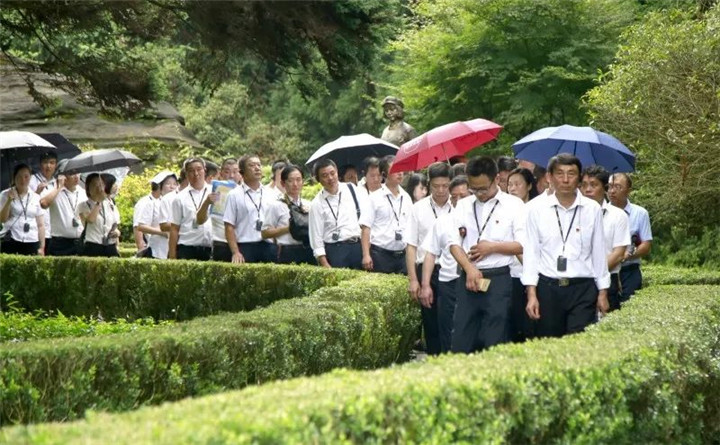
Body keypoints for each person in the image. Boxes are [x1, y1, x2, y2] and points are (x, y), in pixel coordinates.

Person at [522, 154, 610, 338]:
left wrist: (603, 292)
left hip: (582, 287)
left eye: (571, 174)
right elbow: (531, 253)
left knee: (579, 343)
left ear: (579, 178)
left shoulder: (592, 209)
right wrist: (531, 294)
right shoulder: (536, 210)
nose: (565, 179)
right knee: (549, 343)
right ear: (550, 177)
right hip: (548, 287)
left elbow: (598, 252)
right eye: (560, 173)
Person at [447, 156, 525, 353]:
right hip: (468, 278)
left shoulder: (514, 205)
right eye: (474, 189)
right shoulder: (464, 205)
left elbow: (522, 245)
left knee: (495, 337)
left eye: (483, 189)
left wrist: (492, 248)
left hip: (498, 278)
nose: (479, 194)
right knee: (461, 337)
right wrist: (469, 269)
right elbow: (453, 243)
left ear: (496, 179)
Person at [405, 162, 453, 355]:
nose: (441, 190)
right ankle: (434, 359)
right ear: (428, 185)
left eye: (445, 185)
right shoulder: (418, 209)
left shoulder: (459, 206)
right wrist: (413, 280)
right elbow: (411, 245)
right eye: (436, 186)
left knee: (452, 321)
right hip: (426, 271)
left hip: (452, 270)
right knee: (431, 323)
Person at [581, 166, 630, 311]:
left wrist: (594, 273)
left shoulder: (618, 216)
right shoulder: (573, 214)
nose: (587, 190)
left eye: (593, 185)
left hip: (608, 280)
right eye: (584, 185)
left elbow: (618, 253)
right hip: (578, 282)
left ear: (605, 188)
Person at [308, 159, 369, 269]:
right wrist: (325, 264)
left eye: (332, 173)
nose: (330, 178)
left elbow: (365, 221)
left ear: (337, 172)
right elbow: (316, 238)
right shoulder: (317, 204)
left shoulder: (351, 189)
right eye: (325, 175)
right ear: (318, 179)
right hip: (335, 250)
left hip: (357, 246)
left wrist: (366, 254)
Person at [360, 156, 411, 274]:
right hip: (380, 254)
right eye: (395, 170)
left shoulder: (406, 197)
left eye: (401, 169)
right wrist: (366, 255)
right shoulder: (374, 198)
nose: (400, 173)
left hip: (402, 254)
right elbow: (366, 228)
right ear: (384, 174)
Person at [419, 210, 461, 354]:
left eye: (462, 197)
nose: (458, 200)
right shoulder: (443, 221)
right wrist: (425, 285)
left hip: (473, 281)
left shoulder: (478, 218)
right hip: (448, 281)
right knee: (447, 330)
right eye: (455, 198)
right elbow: (431, 253)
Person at [505, 167, 538, 341]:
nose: (512, 188)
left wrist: (533, 268)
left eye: (517, 184)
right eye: (509, 184)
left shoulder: (536, 210)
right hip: (513, 274)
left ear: (529, 186)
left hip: (537, 274)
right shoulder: (504, 211)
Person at [608, 173, 652, 301]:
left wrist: (628, 255)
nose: (612, 191)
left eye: (618, 187)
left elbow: (646, 245)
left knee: (628, 305)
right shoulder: (599, 211)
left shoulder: (640, 213)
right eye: (609, 186)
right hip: (608, 271)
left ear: (629, 191)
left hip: (629, 271)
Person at [224, 155, 275, 263]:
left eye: (259, 165)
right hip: (245, 247)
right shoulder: (234, 195)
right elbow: (229, 226)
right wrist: (235, 252)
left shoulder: (270, 193)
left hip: (269, 246)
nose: (257, 168)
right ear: (242, 172)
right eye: (251, 165)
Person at [261, 164, 315, 264]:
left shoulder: (309, 204)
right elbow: (265, 233)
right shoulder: (275, 205)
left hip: (308, 249)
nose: (295, 184)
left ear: (303, 182)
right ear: (283, 183)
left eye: (298, 180)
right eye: (290, 180)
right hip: (287, 251)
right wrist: (289, 228)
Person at [169, 158, 215, 261]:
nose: (196, 173)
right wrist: (172, 256)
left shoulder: (214, 192)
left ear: (204, 170)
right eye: (191, 171)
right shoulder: (179, 198)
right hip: (187, 248)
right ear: (186, 174)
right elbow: (174, 228)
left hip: (211, 247)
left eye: (199, 169)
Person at [0, 164, 46, 255]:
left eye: (26, 177)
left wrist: (42, 247)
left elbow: (40, 225)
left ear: (30, 177)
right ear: (14, 178)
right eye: (19, 177)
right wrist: (9, 201)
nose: (23, 180)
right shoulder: (5, 194)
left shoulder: (35, 197)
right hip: (12, 238)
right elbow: (2, 219)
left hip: (32, 239)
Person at [39, 170, 86, 256]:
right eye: (72, 173)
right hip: (60, 243)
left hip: (80, 241)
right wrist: (59, 187)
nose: (76, 176)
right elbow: (44, 204)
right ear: (64, 176)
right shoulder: (54, 190)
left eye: (78, 173)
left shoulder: (83, 192)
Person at [136, 171, 178, 259]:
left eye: (174, 184)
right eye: (168, 184)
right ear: (160, 186)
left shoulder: (177, 202)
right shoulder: (151, 203)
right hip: (157, 249)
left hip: (172, 248)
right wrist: (162, 233)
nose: (172, 187)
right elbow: (141, 226)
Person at [76, 173, 120, 257]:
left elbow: (114, 224)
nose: (98, 188)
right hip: (93, 245)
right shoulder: (83, 205)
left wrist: (117, 233)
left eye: (100, 184)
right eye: (94, 185)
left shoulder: (109, 204)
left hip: (109, 245)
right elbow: (90, 220)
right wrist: (99, 201)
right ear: (88, 188)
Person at [210, 158, 241, 262]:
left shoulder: (245, 192)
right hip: (219, 240)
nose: (231, 176)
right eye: (227, 172)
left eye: (235, 172)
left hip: (240, 241)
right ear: (221, 173)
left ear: (240, 174)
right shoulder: (212, 189)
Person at [29, 151, 57, 252]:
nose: (48, 166)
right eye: (45, 162)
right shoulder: (32, 180)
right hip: (37, 230)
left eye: (52, 163)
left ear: (56, 165)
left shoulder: (57, 183)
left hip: (54, 232)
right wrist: (37, 192)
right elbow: (26, 204)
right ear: (40, 164)